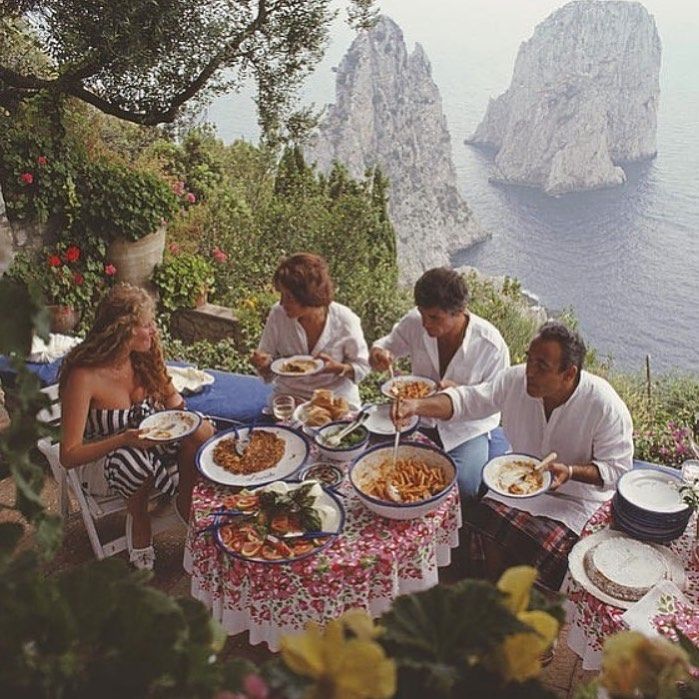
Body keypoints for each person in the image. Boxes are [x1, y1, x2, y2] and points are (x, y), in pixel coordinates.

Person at [394, 320, 633, 591]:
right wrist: (416, 405)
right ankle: (494, 591)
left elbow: (618, 470)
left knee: (550, 551)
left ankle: (518, 595)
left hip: (575, 503)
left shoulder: (604, 406)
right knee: (478, 521)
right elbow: (468, 401)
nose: (529, 372)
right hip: (515, 484)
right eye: (530, 360)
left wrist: (571, 471)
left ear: (569, 374)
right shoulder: (514, 380)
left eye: (542, 367)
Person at [58, 283, 214, 570]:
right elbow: (68, 454)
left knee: (202, 431)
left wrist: (184, 418)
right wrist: (124, 439)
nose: (154, 330)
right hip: (101, 458)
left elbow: (175, 403)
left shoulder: (142, 358)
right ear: (122, 329)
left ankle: (186, 504)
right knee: (135, 461)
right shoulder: (84, 377)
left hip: (144, 441)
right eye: (147, 325)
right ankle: (140, 521)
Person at [370, 267, 510, 501]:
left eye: (434, 317)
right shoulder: (415, 322)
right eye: (422, 314)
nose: (425, 323)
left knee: (464, 486)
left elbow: (493, 401)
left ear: (461, 311)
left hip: (466, 428)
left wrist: (457, 395)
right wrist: (379, 354)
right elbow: (387, 345)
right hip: (418, 419)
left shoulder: (491, 346)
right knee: (383, 467)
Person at [250, 253, 370, 407]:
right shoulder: (278, 315)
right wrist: (262, 364)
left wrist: (338, 368)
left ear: (308, 297)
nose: (282, 303)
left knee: (333, 428)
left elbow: (363, 367)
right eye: (282, 295)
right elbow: (268, 365)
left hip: (335, 400)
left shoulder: (345, 320)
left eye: (289, 298)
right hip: (290, 397)